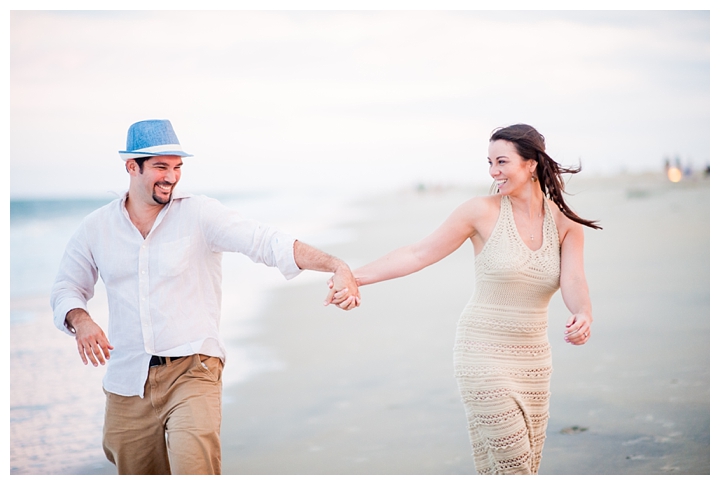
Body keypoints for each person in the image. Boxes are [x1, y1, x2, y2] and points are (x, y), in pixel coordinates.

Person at [50, 119, 360, 475]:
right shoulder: (96, 228)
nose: (171, 176)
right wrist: (82, 319)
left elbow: (264, 241)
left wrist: (334, 264)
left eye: (177, 167)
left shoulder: (199, 214)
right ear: (131, 167)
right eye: (161, 167)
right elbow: (66, 288)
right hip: (126, 382)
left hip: (193, 371)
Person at [329, 124, 601, 474]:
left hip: (534, 361)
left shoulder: (565, 224)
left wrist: (584, 313)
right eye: (489, 162)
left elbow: (574, 278)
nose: (493, 172)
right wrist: (355, 277)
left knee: (524, 467)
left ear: (531, 164)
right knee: (514, 465)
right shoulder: (480, 212)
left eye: (501, 162)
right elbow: (418, 253)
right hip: (481, 353)